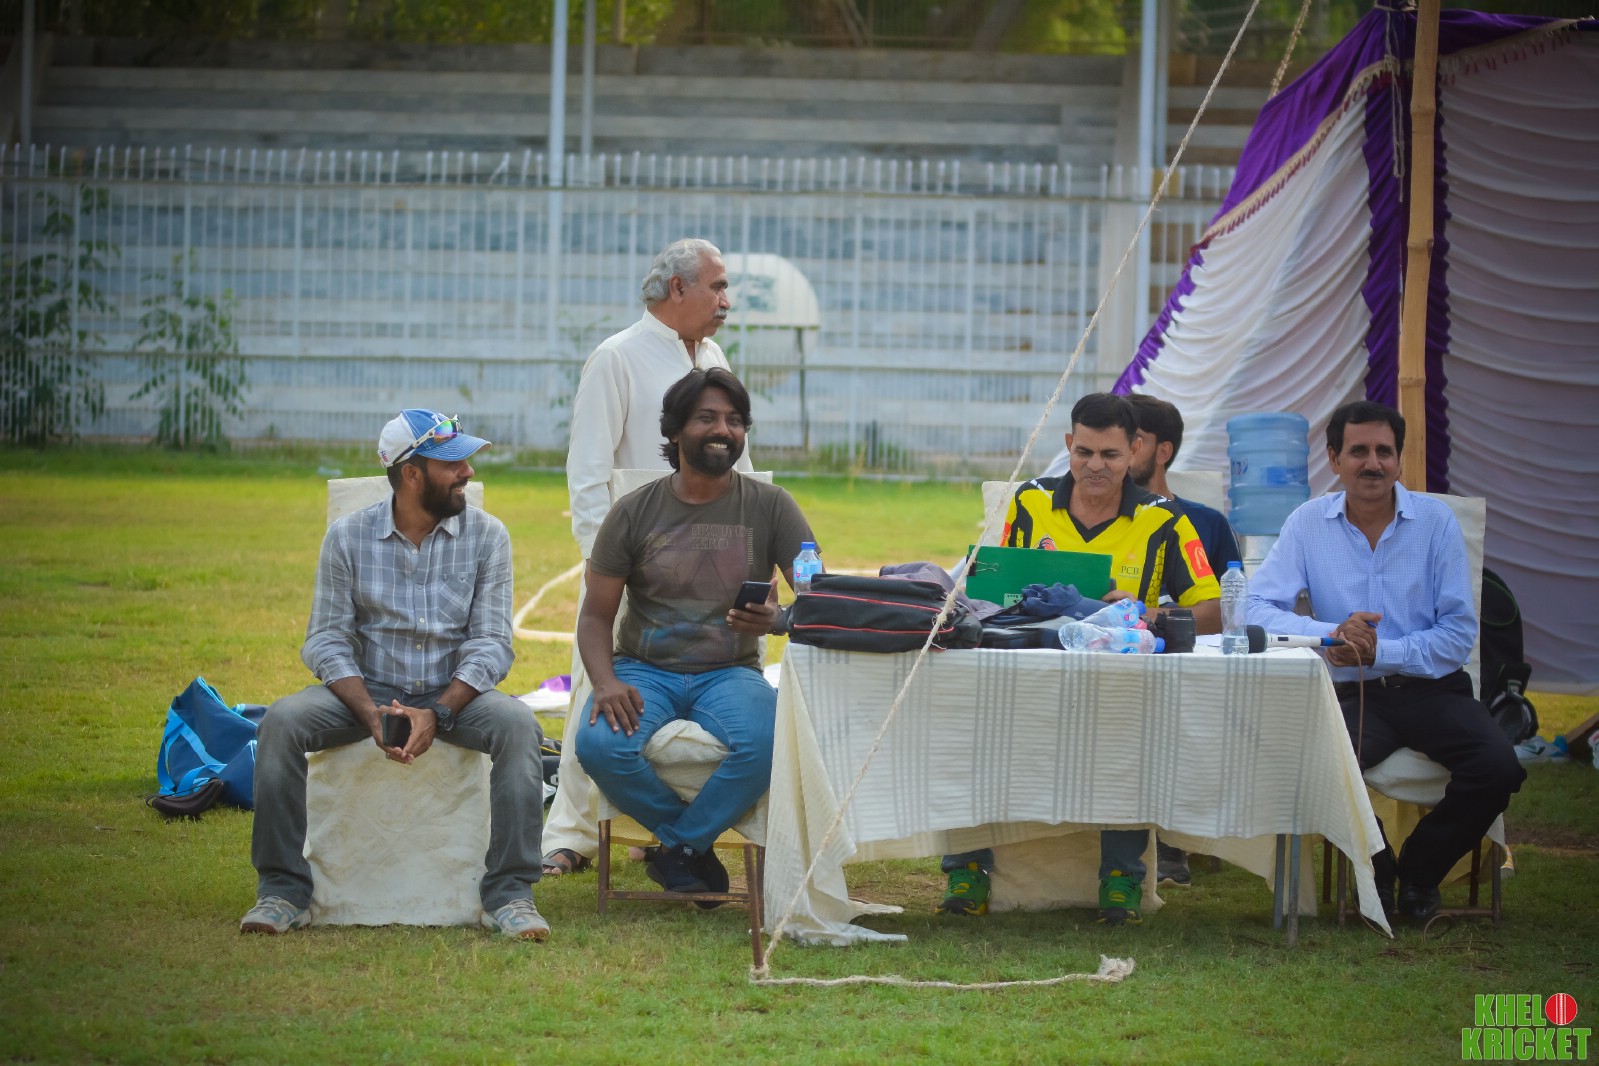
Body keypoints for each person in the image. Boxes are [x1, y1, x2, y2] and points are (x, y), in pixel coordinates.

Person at [241, 410, 549, 941]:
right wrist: (369, 712)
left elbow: (492, 643)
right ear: (411, 473)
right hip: (368, 690)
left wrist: (439, 712)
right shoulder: (347, 537)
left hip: (456, 694)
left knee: (519, 726)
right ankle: (283, 891)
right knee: (282, 723)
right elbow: (326, 639)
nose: (468, 472)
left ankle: (510, 895)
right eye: (452, 464)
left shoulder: (488, 536)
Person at [940, 392, 1222, 925]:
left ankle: (1121, 877)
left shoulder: (1164, 520)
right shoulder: (1029, 502)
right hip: (1029, 669)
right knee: (969, 716)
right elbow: (994, 587)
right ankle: (966, 868)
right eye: (1084, 452)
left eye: (1110, 455)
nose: (1095, 466)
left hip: (1118, 683)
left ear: (1135, 450)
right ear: (1068, 444)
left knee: (1131, 733)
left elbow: (1212, 613)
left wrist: (1139, 611)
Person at [1245, 400, 1525, 921]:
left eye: (1383, 452)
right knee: (1306, 766)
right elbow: (1254, 606)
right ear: (1334, 459)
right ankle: (1377, 869)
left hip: (1434, 690)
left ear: (1399, 459)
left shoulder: (1435, 523)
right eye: (1358, 452)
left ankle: (1420, 870)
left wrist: (1384, 649)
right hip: (1353, 693)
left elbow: (1457, 636)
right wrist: (1329, 633)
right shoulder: (1309, 522)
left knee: (1498, 767)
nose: (1372, 463)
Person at [544, 238, 755, 878]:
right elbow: (587, 476)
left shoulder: (712, 357)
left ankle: (655, 830)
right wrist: (605, 570)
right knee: (598, 692)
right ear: (677, 289)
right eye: (717, 287)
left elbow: (739, 468)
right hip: (627, 568)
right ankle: (572, 835)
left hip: (709, 573)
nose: (727, 300)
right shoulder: (616, 357)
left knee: (697, 699)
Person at [573, 368, 813, 894]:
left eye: (734, 420)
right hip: (643, 670)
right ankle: (691, 846)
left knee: (770, 742)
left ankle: (679, 849)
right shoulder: (632, 512)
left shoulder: (772, 506)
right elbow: (594, 616)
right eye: (707, 418)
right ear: (675, 430)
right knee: (597, 746)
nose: (723, 430)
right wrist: (606, 682)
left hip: (731, 673)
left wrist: (779, 620)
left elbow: (816, 595)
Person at [1126, 392, 1242, 887]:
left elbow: (1229, 613)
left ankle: (1171, 842)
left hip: (1185, 667)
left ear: (1163, 451)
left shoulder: (1207, 524)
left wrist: (1144, 614)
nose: (1119, 449)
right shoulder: (1092, 520)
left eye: (1133, 439)